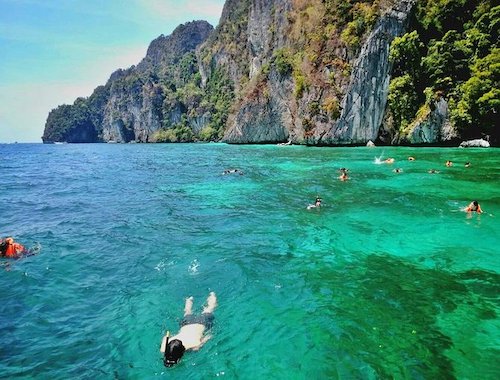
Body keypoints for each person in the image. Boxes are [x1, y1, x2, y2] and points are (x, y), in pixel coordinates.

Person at [160, 292, 217, 367]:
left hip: (202, 323)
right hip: (186, 323)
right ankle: (189, 300)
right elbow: (165, 337)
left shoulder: (195, 345)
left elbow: (208, 336)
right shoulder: (164, 347)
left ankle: (212, 295)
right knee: (187, 312)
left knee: (209, 309)